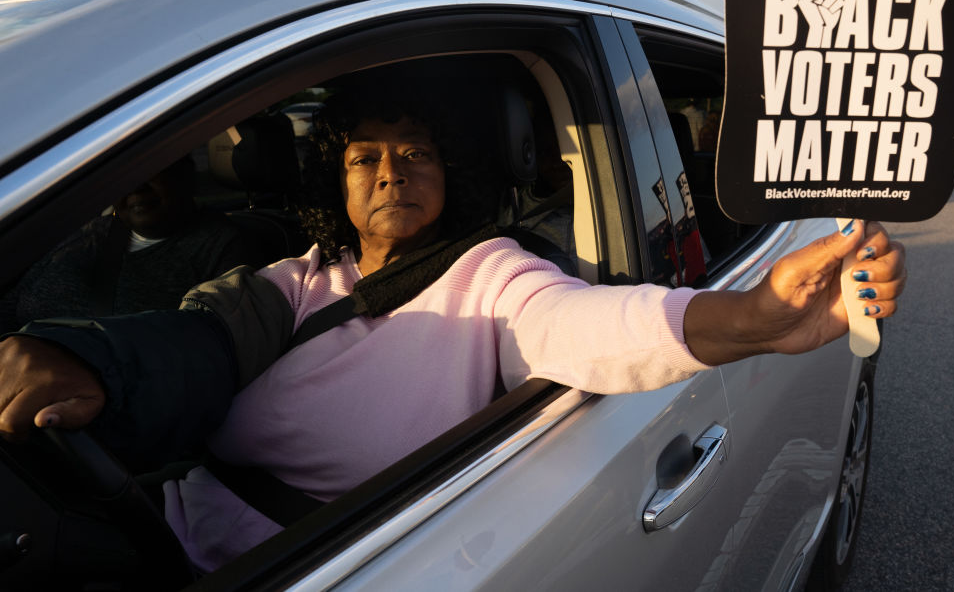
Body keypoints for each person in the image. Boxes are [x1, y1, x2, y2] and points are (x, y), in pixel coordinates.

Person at [0, 75, 906, 572]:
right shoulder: (292, 280)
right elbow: (195, 343)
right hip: (157, 531)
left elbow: (582, 324)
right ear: (337, 185)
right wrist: (92, 370)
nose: (392, 171)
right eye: (365, 157)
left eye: (416, 153)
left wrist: (748, 315)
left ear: (450, 175)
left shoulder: (493, 272)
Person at [0, 156, 273, 333]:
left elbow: (207, 345)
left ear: (185, 175)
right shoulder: (92, 230)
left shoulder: (223, 246)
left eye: (152, 168)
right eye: (124, 174)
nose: (136, 187)